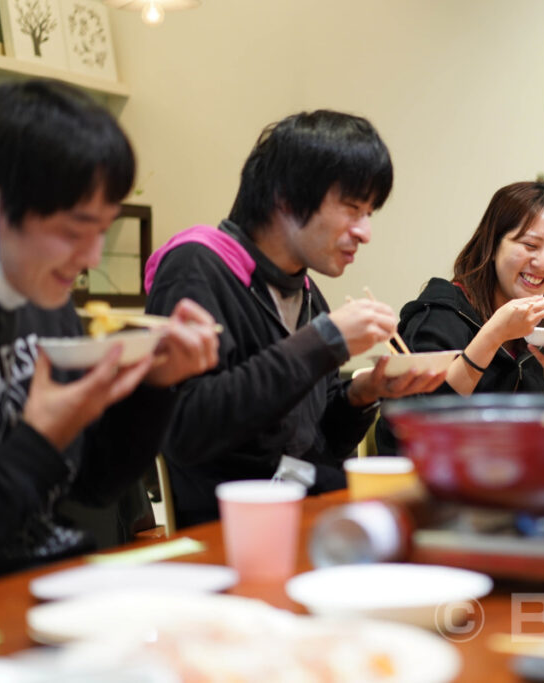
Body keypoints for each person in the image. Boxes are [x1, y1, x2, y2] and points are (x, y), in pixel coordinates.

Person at [0, 80, 220, 587]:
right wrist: (38, 440)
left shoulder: (41, 300)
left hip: (59, 587)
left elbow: (92, 484)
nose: (92, 258)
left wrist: (157, 386)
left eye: (103, 231)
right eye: (75, 231)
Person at [144, 110, 445, 528]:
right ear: (285, 197)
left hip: (299, 506)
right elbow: (188, 432)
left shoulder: (304, 292)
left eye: (370, 212)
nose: (365, 232)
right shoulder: (197, 266)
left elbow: (315, 446)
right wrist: (323, 341)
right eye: (353, 208)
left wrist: (362, 394)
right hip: (229, 522)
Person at [374, 180, 544, 454]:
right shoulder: (440, 314)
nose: (543, 263)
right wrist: (494, 334)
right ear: (493, 244)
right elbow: (419, 423)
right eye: (530, 245)